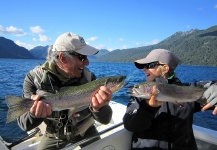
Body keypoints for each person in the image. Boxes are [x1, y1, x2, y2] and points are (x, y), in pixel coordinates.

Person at [17, 32, 113, 150]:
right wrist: (34, 115)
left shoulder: (89, 78)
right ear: (63, 58)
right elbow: (24, 124)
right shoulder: (33, 78)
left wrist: (100, 108)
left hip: (85, 130)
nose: (87, 62)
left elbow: (105, 120)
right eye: (82, 57)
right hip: (54, 134)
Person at [123, 49, 217, 150]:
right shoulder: (139, 98)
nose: (144, 69)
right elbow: (130, 125)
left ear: (165, 68)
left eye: (149, 65)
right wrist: (148, 108)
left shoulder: (189, 90)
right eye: (143, 66)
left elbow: (211, 85)